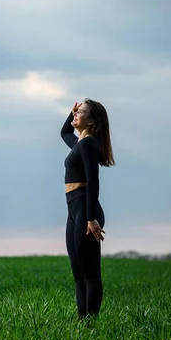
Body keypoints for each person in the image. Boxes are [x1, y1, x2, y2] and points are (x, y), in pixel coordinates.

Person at [61, 98, 115, 321]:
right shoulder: (78, 143)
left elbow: (94, 181)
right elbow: (64, 132)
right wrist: (71, 111)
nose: (75, 115)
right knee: (78, 275)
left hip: (85, 210)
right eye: (76, 111)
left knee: (90, 274)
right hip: (74, 210)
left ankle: (90, 325)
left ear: (92, 121)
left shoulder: (89, 144)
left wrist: (91, 218)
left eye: (81, 112)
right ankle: (81, 322)